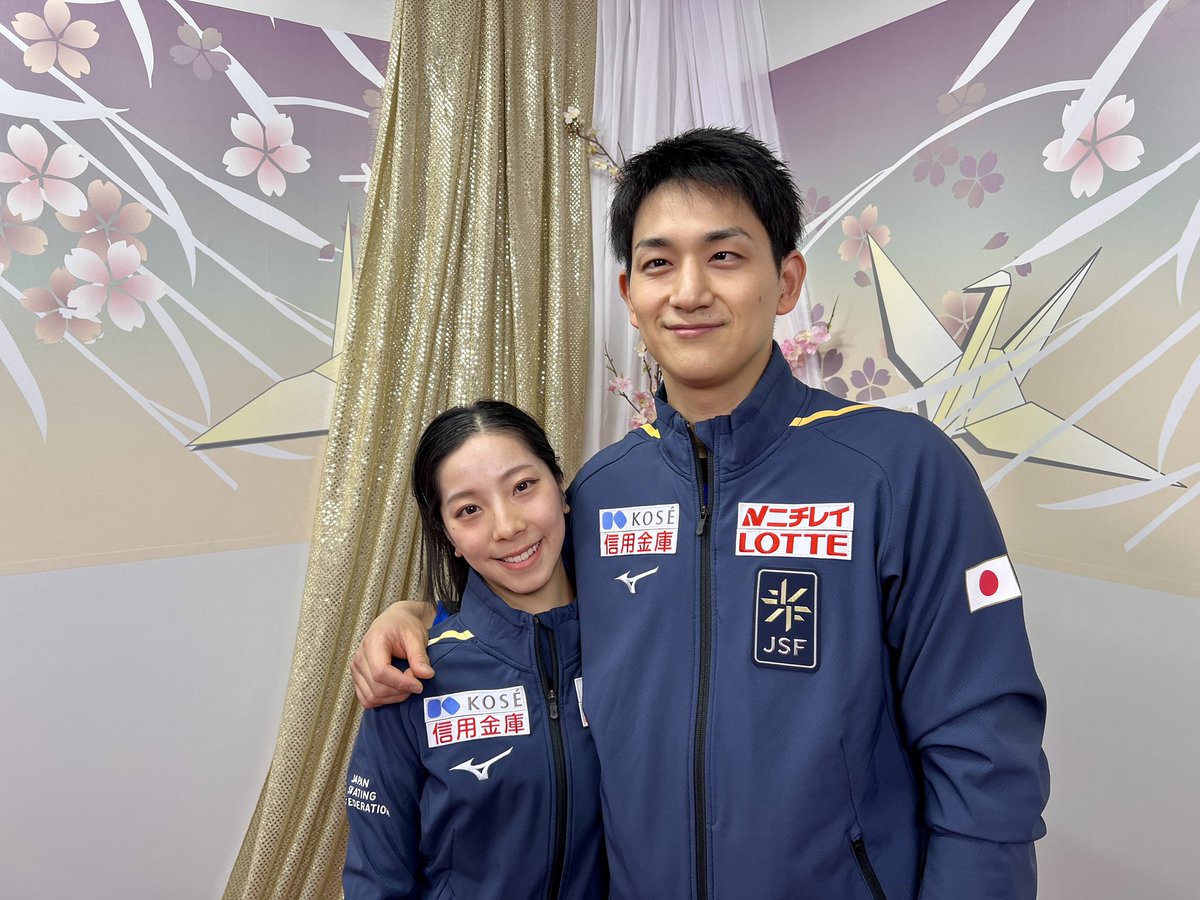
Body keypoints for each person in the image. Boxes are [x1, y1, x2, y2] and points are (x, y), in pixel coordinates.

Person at [352, 128, 1050, 899]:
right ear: (630, 296)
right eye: (659, 263)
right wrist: (414, 615)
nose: (688, 292)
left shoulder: (900, 470)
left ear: (786, 281)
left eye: (724, 255)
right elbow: (529, 620)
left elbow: (984, 747)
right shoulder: (600, 494)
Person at [343, 401, 606, 899]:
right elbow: (376, 878)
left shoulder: (633, 645)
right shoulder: (413, 675)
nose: (507, 526)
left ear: (560, 488)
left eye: (523, 486)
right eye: (469, 509)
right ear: (449, 536)